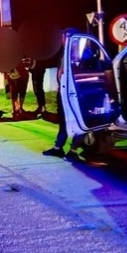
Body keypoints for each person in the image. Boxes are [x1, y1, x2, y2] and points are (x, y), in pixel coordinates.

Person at [43, 28, 85, 162]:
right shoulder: (67, 52)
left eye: (63, 37)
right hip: (64, 93)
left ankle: (70, 150)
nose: (61, 40)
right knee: (65, 121)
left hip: (73, 94)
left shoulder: (78, 53)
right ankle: (59, 148)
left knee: (76, 122)